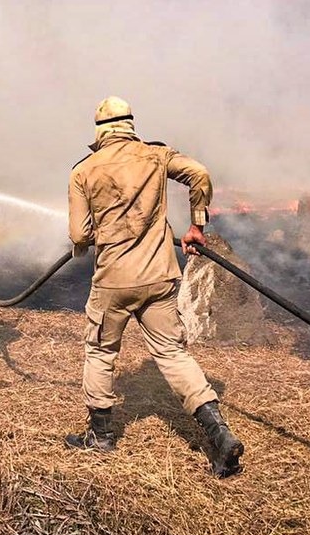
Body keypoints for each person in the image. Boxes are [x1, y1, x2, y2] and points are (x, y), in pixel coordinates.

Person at [65, 96, 244, 477]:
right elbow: (199, 174)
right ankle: (220, 434)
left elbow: (79, 234)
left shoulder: (83, 171)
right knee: (172, 353)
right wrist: (196, 226)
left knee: (100, 351)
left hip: (113, 280)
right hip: (160, 275)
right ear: (130, 124)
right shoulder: (156, 155)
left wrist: (99, 233)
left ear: (99, 130)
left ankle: (100, 436)